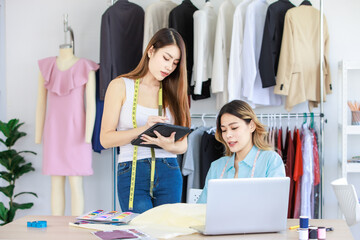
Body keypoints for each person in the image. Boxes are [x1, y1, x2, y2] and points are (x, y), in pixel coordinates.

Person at [100, 28, 190, 213]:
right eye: (166, 58)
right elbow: (105, 139)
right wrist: (143, 129)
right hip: (132, 170)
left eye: (175, 63)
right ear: (151, 51)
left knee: (167, 233)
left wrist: (167, 145)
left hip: (169, 170)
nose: (169, 67)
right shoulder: (120, 86)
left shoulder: (176, 91)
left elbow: (183, 146)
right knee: (141, 231)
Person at [35, 46, 98, 216]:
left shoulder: (85, 67)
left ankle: (75, 227)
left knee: (76, 181)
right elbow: (41, 103)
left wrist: (87, 135)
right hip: (54, 132)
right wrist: (38, 135)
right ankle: (57, 229)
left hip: (77, 132)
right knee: (55, 182)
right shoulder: (47, 67)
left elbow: (91, 104)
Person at [197, 100, 285, 203]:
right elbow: (203, 208)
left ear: (251, 126)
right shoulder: (216, 166)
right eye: (224, 130)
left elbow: (276, 206)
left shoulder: (270, 161)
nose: (228, 135)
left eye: (234, 128)